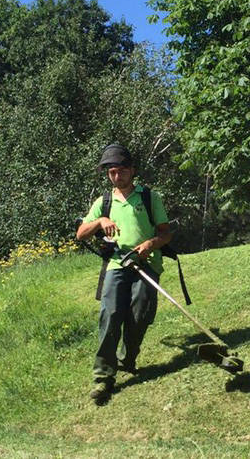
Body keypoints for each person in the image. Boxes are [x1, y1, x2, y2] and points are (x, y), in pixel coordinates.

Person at [76, 143, 173, 403]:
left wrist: (150, 244)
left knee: (139, 315)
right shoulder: (103, 202)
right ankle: (103, 377)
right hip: (117, 265)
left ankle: (127, 358)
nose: (117, 177)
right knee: (110, 314)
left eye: (121, 171)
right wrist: (99, 222)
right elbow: (80, 234)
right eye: (112, 173)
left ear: (132, 171)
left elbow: (166, 232)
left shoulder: (149, 198)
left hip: (147, 263)